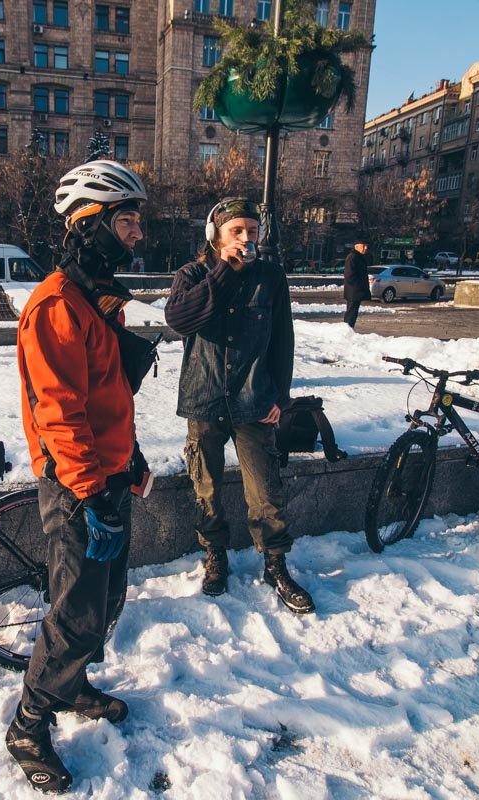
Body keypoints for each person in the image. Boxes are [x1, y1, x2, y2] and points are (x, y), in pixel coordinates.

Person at [7, 159, 147, 794]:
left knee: (105, 603)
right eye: (126, 220)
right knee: (76, 614)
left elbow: (108, 396)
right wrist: (92, 495)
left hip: (107, 475)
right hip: (76, 488)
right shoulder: (56, 306)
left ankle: (72, 686)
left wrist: (132, 458)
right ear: (88, 225)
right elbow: (58, 413)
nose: (137, 233)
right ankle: (29, 725)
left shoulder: (97, 300)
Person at [163, 197, 315, 615]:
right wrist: (221, 273)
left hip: (254, 401)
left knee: (266, 490)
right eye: (237, 231)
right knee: (206, 487)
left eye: (252, 231)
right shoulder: (194, 274)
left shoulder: (271, 277)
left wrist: (279, 399)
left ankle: (275, 564)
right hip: (204, 397)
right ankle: (215, 555)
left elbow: (283, 341)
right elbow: (179, 320)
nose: (247, 239)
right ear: (216, 235)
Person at [343, 242, 371, 329]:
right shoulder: (353, 257)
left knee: (353, 312)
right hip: (354, 291)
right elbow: (349, 275)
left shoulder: (358, 257)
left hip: (355, 291)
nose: (365, 248)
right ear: (357, 246)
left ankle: (349, 329)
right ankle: (347, 330)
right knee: (351, 312)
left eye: (366, 246)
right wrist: (358, 287)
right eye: (363, 246)